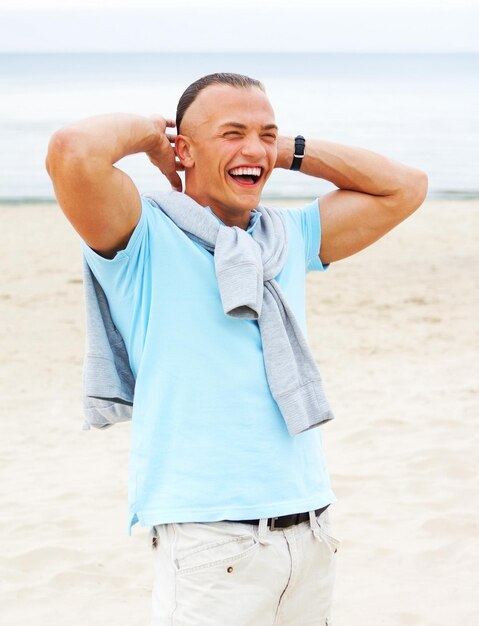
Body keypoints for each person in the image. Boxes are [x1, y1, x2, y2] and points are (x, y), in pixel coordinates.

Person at [46, 73, 427, 625]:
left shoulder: (287, 238)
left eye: (264, 134)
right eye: (231, 133)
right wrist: (152, 136)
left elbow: (407, 187)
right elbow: (73, 150)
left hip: (309, 532)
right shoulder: (141, 235)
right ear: (186, 150)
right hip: (210, 541)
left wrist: (283, 149)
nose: (252, 149)